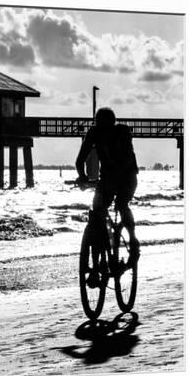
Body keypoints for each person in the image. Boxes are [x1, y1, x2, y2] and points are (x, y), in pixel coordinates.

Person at [75, 107, 140, 266]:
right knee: (97, 210)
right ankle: (98, 253)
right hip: (108, 179)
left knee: (122, 204)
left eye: (106, 126)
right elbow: (80, 160)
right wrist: (82, 176)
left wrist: (115, 176)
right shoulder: (94, 133)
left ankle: (133, 241)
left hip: (127, 176)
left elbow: (126, 159)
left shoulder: (122, 133)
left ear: (113, 124)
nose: (103, 130)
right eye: (100, 125)